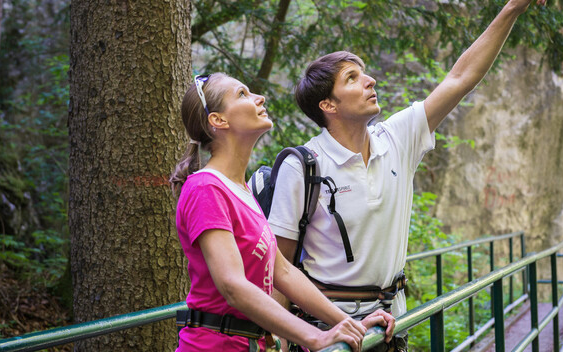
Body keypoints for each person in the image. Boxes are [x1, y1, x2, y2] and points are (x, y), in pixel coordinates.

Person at [267, 0, 554, 351]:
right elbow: (278, 266)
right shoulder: (303, 166)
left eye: (364, 71)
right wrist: (282, 336)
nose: (370, 80)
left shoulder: (395, 139)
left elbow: (460, 78)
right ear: (328, 106)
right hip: (330, 333)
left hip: (390, 326)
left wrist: (512, 7)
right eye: (352, 77)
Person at [169, 73, 395, 352]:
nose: (259, 98)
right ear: (218, 120)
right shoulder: (205, 188)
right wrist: (315, 337)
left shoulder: (242, 191)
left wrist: (348, 323)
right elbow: (232, 285)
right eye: (242, 94)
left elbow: (283, 272)